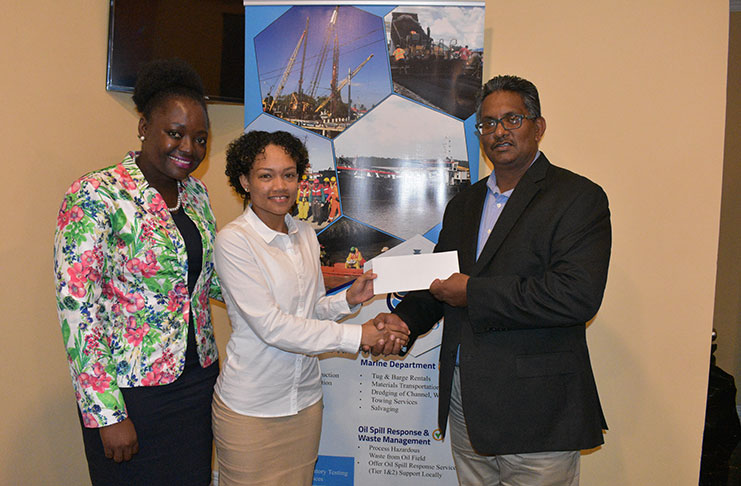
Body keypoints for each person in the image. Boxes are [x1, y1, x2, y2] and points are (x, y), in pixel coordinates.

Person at [373, 75, 611, 486]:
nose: (498, 131)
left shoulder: (578, 197)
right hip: (467, 401)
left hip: (539, 412)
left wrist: (472, 292)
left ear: (538, 127)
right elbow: (439, 281)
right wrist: (405, 321)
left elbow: (576, 296)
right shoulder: (465, 203)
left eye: (512, 119)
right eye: (487, 123)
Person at [53, 59, 221, 485]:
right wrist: (106, 413)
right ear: (144, 126)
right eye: (176, 133)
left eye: (200, 138)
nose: (189, 148)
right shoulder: (95, 194)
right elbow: (78, 310)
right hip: (130, 396)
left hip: (197, 383)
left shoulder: (197, 196)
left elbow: (212, 281)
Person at [212, 130, 409, 486]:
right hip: (251, 410)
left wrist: (347, 300)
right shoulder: (234, 241)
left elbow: (309, 310)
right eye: (265, 175)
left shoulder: (304, 233)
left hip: (304, 403)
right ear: (244, 180)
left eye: (289, 174)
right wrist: (358, 335)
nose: (280, 186)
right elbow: (272, 326)